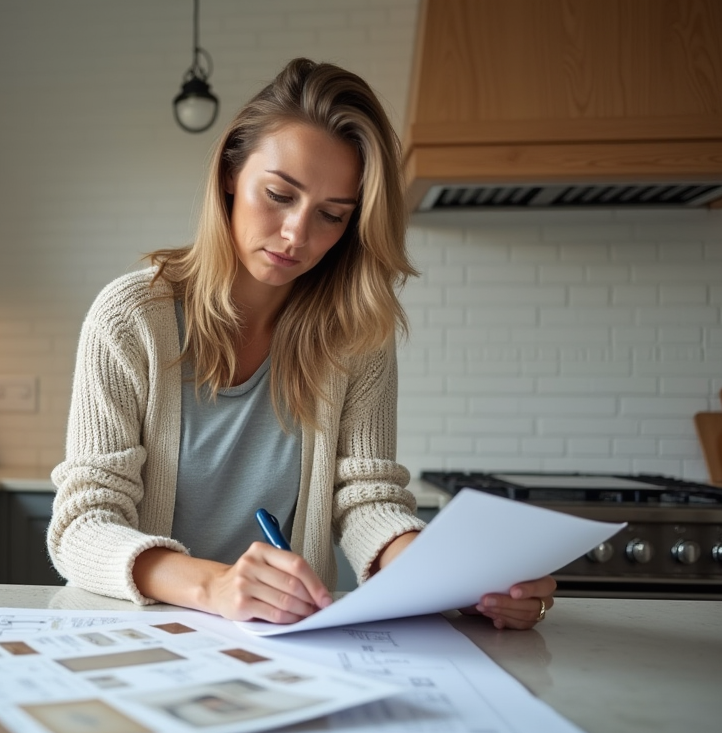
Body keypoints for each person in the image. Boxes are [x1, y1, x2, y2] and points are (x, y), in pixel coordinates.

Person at [48, 58, 555, 631]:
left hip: (288, 643)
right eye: (279, 194)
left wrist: (452, 577)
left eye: (331, 215)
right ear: (230, 176)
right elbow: (83, 522)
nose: (297, 235)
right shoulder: (131, 317)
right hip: (136, 634)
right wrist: (216, 585)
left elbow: (365, 497)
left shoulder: (355, 334)